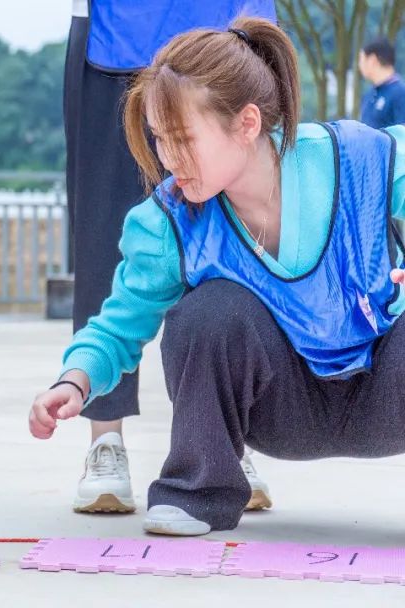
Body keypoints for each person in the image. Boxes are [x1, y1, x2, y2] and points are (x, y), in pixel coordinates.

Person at [31, 16, 405, 536]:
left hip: (389, 392)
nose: (168, 159)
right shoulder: (169, 222)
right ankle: (197, 491)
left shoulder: (361, 157)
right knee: (206, 312)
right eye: (159, 139)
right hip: (279, 412)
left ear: (247, 123)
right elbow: (121, 323)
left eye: (183, 138)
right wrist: (75, 379)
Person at [62, 0, 276, 515]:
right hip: (114, 51)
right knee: (101, 243)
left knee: (233, 238)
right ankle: (104, 441)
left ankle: (226, 442)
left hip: (220, 47)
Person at [358, 37, 405, 129]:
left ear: (372, 60)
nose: (359, 65)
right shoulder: (369, 94)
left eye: (361, 59)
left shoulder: (400, 94)